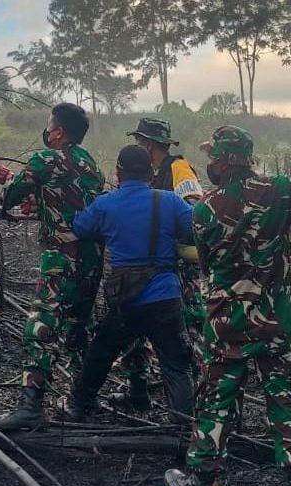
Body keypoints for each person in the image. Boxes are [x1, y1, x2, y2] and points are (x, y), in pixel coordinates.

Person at [164, 126, 291, 486]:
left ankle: (200, 483)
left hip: (225, 324)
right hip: (274, 322)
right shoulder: (280, 189)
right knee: (284, 397)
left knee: (217, 397)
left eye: (212, 157)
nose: (210, 163)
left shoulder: (204, 209)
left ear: (224, 160)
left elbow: (206, 264)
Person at [0, 103, 105, 431]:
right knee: (79, 328)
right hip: (92, 258)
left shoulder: (47, 158)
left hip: (62, 256)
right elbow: (62, 197)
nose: (47, 130)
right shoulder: (90, 163)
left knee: (41, 324)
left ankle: (31, 406)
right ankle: (84, 400)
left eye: (49, 125)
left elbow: (12, 195)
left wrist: (4, 185)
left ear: (59, 131)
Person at [62, 144, 195, 424]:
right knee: (176, 366)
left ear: (118, 173)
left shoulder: (105, 204)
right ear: (150, 172)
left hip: (127, 299)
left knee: (101, 351)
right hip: (166, 297)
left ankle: (77, 406)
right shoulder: (170, 202)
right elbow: (196, 232)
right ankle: (185, 432)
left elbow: (78, 229)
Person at [112, 118, 205, 410]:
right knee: (135, 331)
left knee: (186, 333)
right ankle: (137, 391)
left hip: (177, 270)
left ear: (149, 144)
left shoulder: (179, 169)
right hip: (146, 269)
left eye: (140, 142)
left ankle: (196, 402)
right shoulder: (147, 176)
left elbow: (195, 216)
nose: (139, 147)